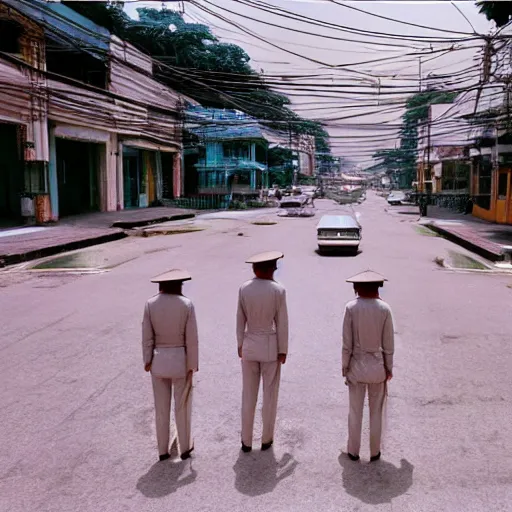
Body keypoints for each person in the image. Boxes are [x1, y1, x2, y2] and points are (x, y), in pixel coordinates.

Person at [142, 269, 199, 461]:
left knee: (161, 408)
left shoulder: (150, 305)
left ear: (160, 286)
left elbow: (147, 337)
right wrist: (193, 364)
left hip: (158, 361)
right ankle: (184, 447)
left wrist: (147, 360)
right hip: (180, 361)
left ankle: (162, 450)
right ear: (178, 285)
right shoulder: (186, 304)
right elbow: (192, 339)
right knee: (182, 406)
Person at [237, 251, 289, 453]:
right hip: (270, 346)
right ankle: (266, 438)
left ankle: (246, 441)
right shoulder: (278, 290)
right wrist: (283, 349)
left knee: (248, 394)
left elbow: (240, 319)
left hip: (250, 344)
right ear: (270, 269)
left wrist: (240, 343)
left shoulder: (244, 288)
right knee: (270, 395)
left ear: (255, 269)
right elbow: (282, 322)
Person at [342, 270, 394, 462]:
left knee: (355, 411)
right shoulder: (384, 309)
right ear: (378, 287)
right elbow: (388, 345)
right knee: (376, 412)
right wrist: (389, 368)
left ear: (356, 288)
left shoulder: (351, 308)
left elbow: (347, 343)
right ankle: (374, 451)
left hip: (356, 366)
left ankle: (353, 450)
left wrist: (345, 367)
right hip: (377, 367)